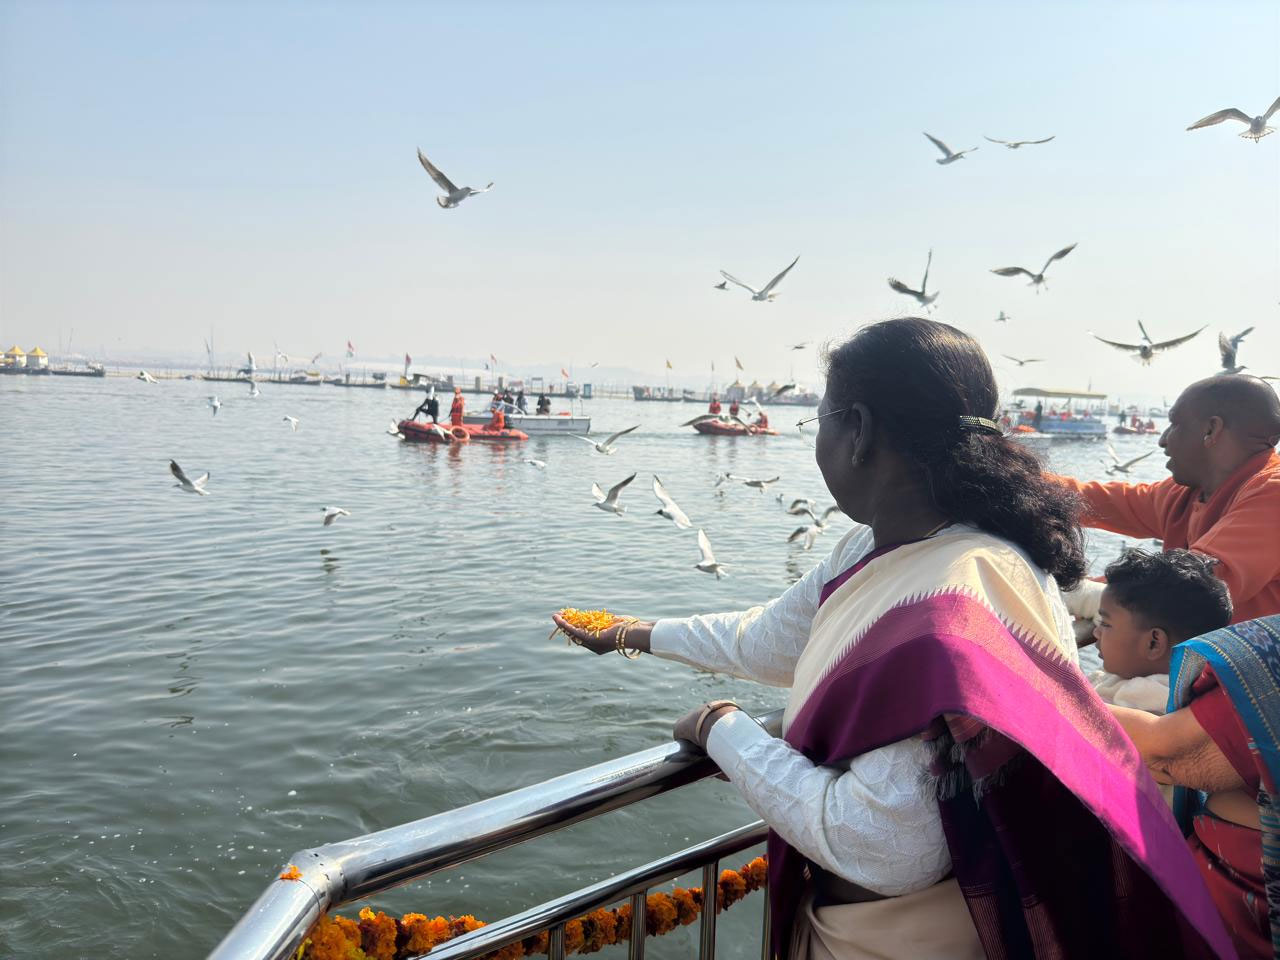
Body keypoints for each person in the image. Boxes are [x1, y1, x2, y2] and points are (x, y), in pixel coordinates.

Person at [553, 317, 1230, 959]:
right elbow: (771, 641)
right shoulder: (889, 546)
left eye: (821, 420)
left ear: (859, 431)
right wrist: (633, 635)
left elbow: (887, 846)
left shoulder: (953, 602)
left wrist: (720, 728)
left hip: (901, 935)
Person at [1111, 616, 1280, 958]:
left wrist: (1018, 681)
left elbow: (1164, 754)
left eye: (1105, 623)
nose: (1097, 633)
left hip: (1242, 925)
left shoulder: (1269, 669)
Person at [1058, 375, 1280, 624]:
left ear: (1211, 430)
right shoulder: (1188, 492)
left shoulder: (1274, 493)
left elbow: (1194, 584)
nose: (1162, 440)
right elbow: (1095, 500)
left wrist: (1071, 594)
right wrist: (1014, 478)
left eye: (1174, 424)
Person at [1087, 548, 1232, 714]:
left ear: (1153, 643)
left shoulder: (1144, 699)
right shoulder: (1196, 691)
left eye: (1105, 624)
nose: (1096, 632)